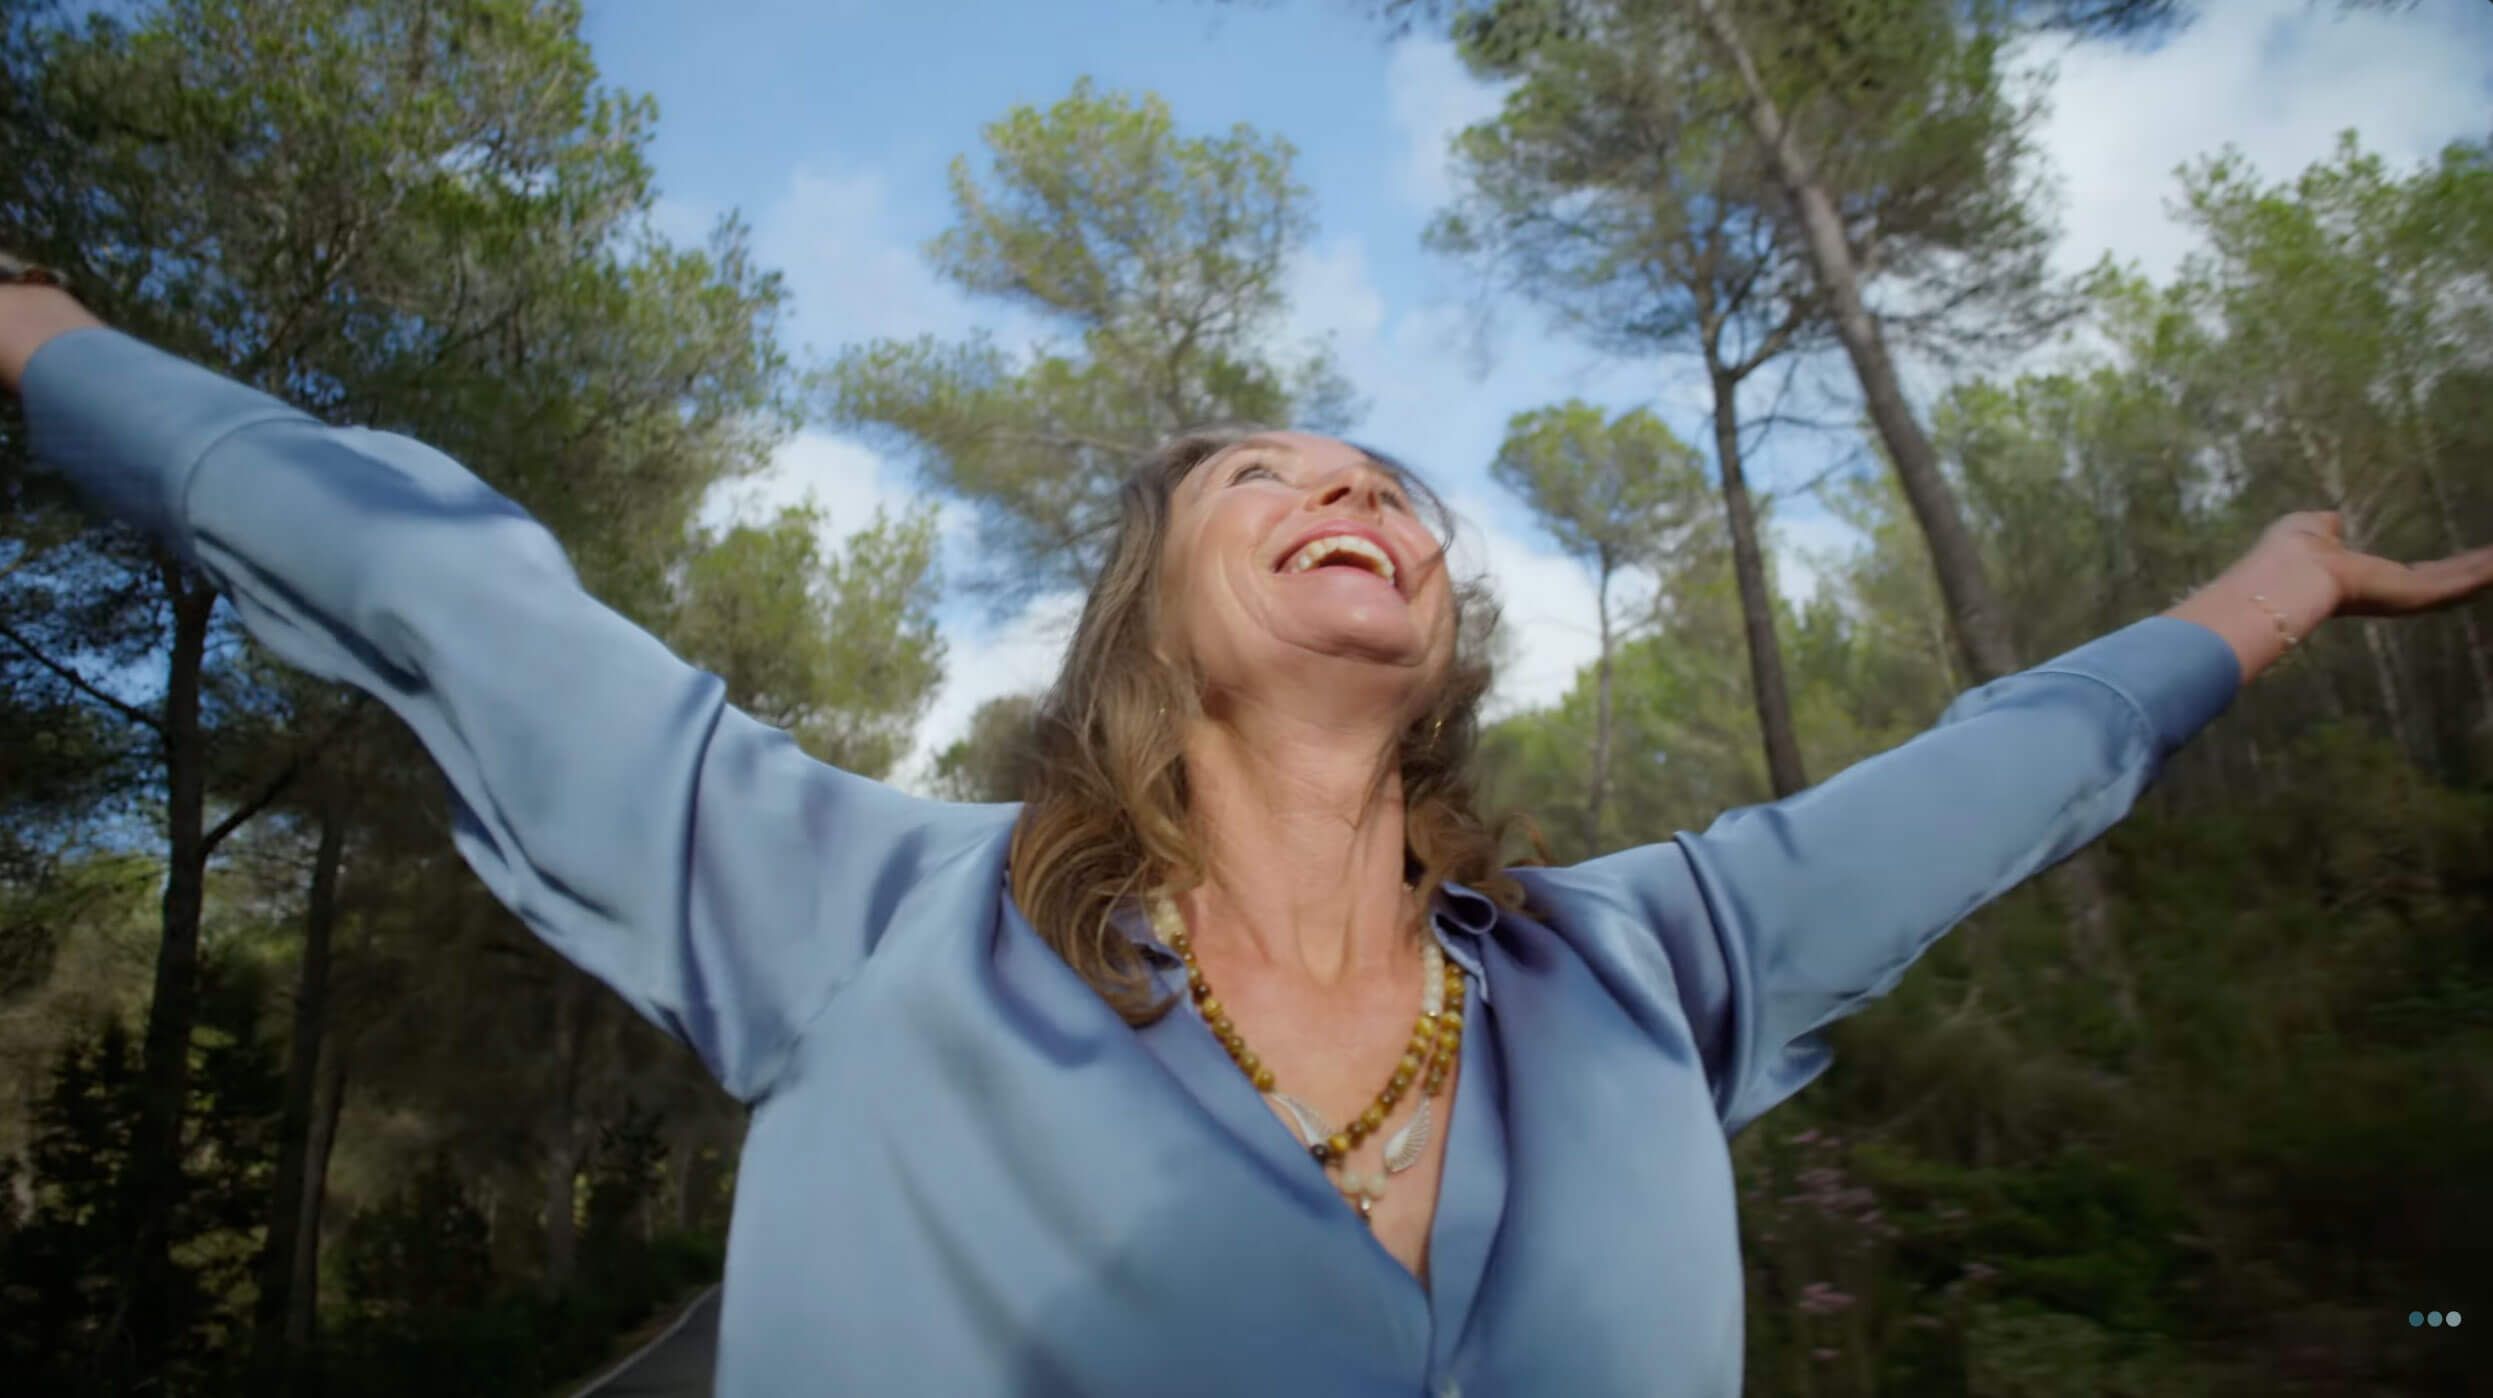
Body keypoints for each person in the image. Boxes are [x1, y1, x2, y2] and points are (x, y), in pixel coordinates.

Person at [4, 255, 2487, 1397]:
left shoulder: (1647, 967)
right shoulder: (861, 910)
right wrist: (37, 335)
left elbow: (2000, 774)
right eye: (1263, 474)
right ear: (1143, 624)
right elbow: (433, 585)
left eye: (1388, 483)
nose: (1349, 488)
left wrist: (2268, 588)